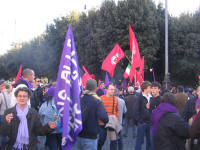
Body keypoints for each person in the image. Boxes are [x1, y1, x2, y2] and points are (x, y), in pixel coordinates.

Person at [74, 79, 108, 150]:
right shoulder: (97, 101)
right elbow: (105, 118)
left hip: (78, 134)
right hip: (91, 136)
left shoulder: (79, 100)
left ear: (85, 87)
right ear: (95, 89)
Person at [39, 86, 62, 150]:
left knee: (52, 147)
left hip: (49, 130)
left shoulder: (44, 104)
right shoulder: (61, 102)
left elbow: (40, 116)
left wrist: (44, 125)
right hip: (61, 129)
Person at [98, 83, 119, 150]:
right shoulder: (101, 98)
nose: (113, 91)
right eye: (111, 89)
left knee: (113, 141)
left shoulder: (115, 99)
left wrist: (116, 120)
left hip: (112, 123)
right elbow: (98, 111)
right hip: (102, 123)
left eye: (114, 89)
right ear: (106, 89)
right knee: (101, 140)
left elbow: (117, 110)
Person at [133, 81, 153, 150]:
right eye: (150, 87)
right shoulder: (139, 98)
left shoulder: (151, 97)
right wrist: (140, 121)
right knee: (140, 141)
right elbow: (135, 111)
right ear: (145, 88)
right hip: (142, 123)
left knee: (150, 141)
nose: (151, 89)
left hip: (150, 122)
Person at [0, 81, 12, 149]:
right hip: (11, 115)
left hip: (2, 115)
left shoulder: (1, 94)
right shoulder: (13, 94)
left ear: (4, 86)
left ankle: (3, 147)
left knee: (3, 133)